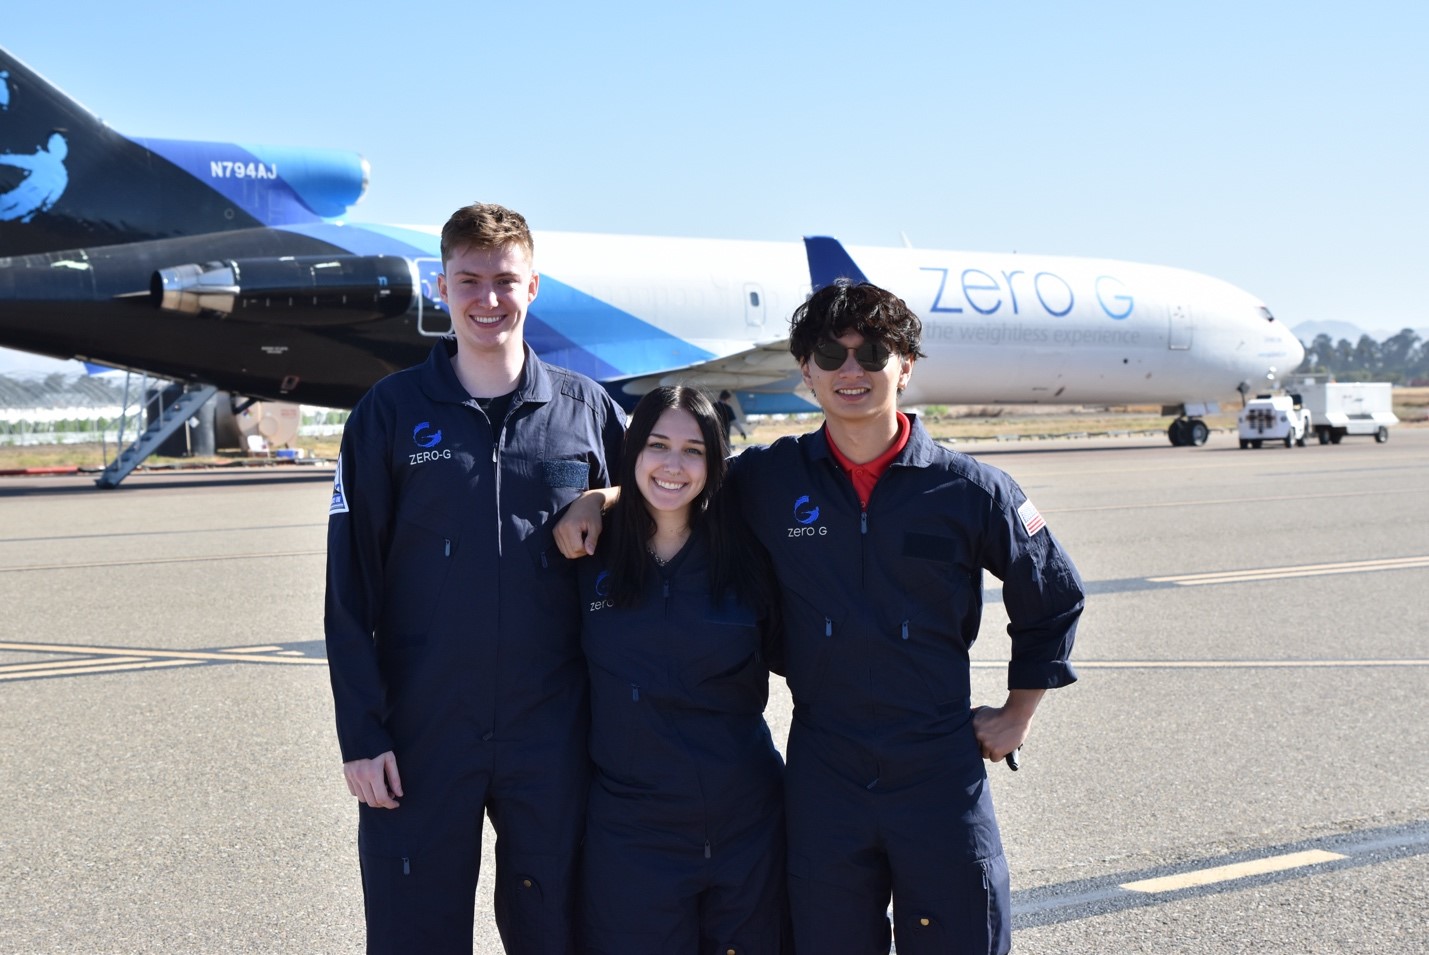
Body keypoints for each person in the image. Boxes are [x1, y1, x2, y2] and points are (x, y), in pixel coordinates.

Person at [556, 280, 1083, 955]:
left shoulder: (969, 490)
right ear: (805, 371)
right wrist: (598, 498)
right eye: (830, 355)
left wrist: (1018, 713)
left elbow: (1053, 592)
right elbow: (678, 477)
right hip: (824, 775)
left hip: (937, 770)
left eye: (872, 354)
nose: (850, 371)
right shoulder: (772, 479)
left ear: (907, 363)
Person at [324, 202, 626, 954]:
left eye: (504, 281)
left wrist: (607, 494)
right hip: (422, 729)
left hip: (555, 728)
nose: (488, 299)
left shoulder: (585, 411)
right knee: (413, 931)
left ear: (534, 286)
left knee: (556, 927)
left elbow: (668, 510)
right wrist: (361, 734)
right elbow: (348, 585)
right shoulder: (388, 415)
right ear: (440, 285)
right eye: (469, 280)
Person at [574, 385, 786, 954]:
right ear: (633, 453)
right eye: (657, 445)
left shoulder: (750, 560)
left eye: (693, 450)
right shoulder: (585, 555)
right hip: (632, 836)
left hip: (747, 826)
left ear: (715, 463)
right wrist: (596, 499)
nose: (673, 465)